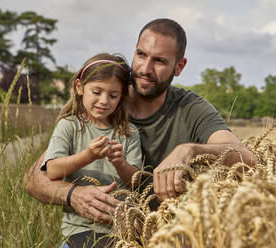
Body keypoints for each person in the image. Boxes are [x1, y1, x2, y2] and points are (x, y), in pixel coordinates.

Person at [24, 18, 256, 247]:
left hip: (166, 237)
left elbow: (247, 158)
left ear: (179, 66)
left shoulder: (191, 109)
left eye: (160, 61)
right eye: (141, 54)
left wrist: (188, 150)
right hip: (95, 235)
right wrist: (74, 194)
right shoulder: (107, 103)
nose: (145, 69)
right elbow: (35, 178)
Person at [39, 53, 142, 247]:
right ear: (80, 88)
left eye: (113, 95)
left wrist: (121, 164)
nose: (104, 100)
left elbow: (136, 182)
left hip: (122, 228)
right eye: (96, 92)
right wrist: (89, 156)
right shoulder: (69, 126)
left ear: (121, 97)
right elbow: (52, 170)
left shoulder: (129, 133)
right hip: (80, 229)